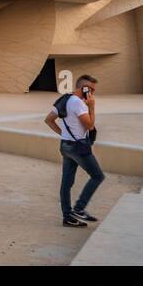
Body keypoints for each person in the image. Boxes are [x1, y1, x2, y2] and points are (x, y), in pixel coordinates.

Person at [43, 74, 104, 228]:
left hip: (65, 145)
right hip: (79, 147)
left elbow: (48, 119)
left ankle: (68, 217)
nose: (93, 94)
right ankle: (79, 208)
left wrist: (64, 135)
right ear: (85, 88)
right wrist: (92, 106)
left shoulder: (66, 99)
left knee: (66, 182)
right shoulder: (79, 104)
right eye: (92, 90)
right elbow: (89, 125)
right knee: (97, 176)